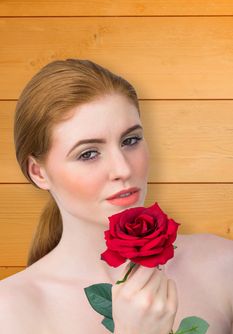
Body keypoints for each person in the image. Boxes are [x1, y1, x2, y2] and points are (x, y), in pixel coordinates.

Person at [0, 59, 232, 334]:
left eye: (130, 140)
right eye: (88, 154)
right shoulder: (10, 311)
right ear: (39, 173)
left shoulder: (222, 266)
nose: (123, 169)